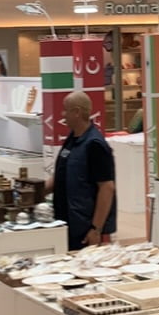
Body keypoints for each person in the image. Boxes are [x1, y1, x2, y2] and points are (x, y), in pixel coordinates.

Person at [46, 91, 118, 249]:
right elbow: (61, 175)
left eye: (65, 110)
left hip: (83, 227)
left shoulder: (95, 145)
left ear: (77, 112)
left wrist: (96, 229)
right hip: (66, 222)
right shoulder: (72, 139)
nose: (62, 114)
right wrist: (36, 193)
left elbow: (107, 188)